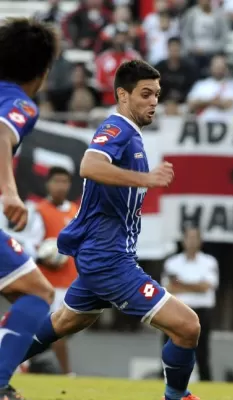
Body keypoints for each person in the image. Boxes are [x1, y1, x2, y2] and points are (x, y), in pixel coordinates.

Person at [21, 60, 203, 400]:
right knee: (187, 325)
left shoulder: (131, 136)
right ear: (122, 95)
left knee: (62, 323)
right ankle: (177, 396)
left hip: (104, 256)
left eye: (157, 95)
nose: (154, 102)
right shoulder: (117, 129)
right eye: (145, 94)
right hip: (108, 260)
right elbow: (90, 165)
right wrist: (145, 179)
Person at [0, 18, 58, 400]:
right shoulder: (19, 101)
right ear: (42, 72)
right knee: (38, 294)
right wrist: (9, 191)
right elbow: (0, 133)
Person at [30, 167, 79, 375]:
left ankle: (27, 364)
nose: (61, 186)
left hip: (74, 283)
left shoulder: (76, 211)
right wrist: (45, 257)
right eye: (57, 181)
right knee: (58, 330)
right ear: (48, 184)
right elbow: (31, 246)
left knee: (62, 330)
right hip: (49, 285)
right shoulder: (39, 211)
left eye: (65, 181)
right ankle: (68, 374)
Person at [163, 226, 219, 381]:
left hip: (201, 311)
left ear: (200, 241)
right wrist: (196, 286)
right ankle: (168, 382)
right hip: (176, 311)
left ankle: (206, 381)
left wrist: (181, 284)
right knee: (171, 348)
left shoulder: (209, 262)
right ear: (183, 240)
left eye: (195, 238)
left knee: (202, 350)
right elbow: (168, 288)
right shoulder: (172, 263)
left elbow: (207, 287)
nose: (192, 241)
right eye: (189, 237)